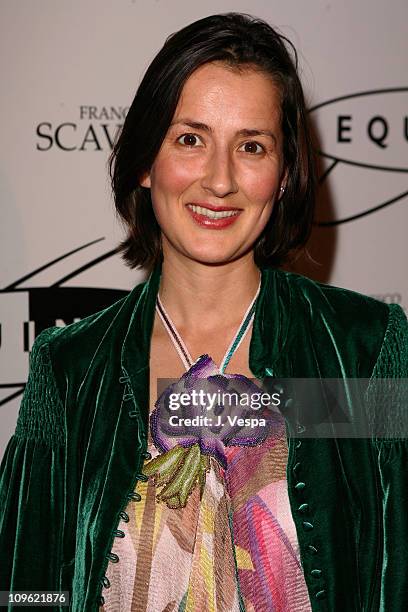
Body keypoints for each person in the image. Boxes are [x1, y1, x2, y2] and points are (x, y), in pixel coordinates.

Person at [0, 11, 407, 612]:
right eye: (190, 139)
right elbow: (27, 591)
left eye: (251, 146)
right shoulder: (71, 371)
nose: (219, 181)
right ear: (145, 161)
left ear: (285, 171)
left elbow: (395, 572)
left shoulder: (361, 351)